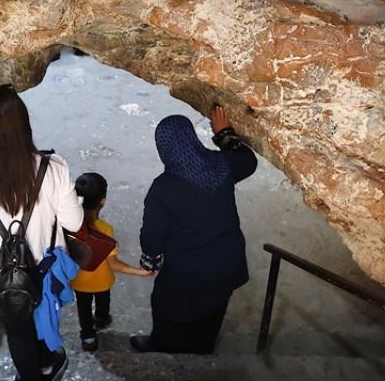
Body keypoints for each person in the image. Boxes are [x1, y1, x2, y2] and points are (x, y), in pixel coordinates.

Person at [0, 84, 85, 381]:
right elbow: (75, 222)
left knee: (17, 329)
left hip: (2, 277)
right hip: (44, 269)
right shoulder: (54, 168)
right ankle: (49, 362)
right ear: (23, 124)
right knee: (42, 314)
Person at [133, 104, 257, 354]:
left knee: (167, 305)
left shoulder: (163, 188)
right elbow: (248, 162)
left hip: (187, 271)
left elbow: (152, 238)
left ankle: (162, 344)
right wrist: (224, 134)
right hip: (227, 263)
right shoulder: (221, 165)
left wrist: (150, 261)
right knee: (214, 308)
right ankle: (202, 348)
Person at [70, 172, 153, 352]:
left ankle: (89, 338)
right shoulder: (105, 229)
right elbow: (113, 264)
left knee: (83, 309)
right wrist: (141, 271)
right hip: (102, 282)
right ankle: (101, 318)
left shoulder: (67, 226)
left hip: (78, 281)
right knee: (103, 302)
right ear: (103, 201)